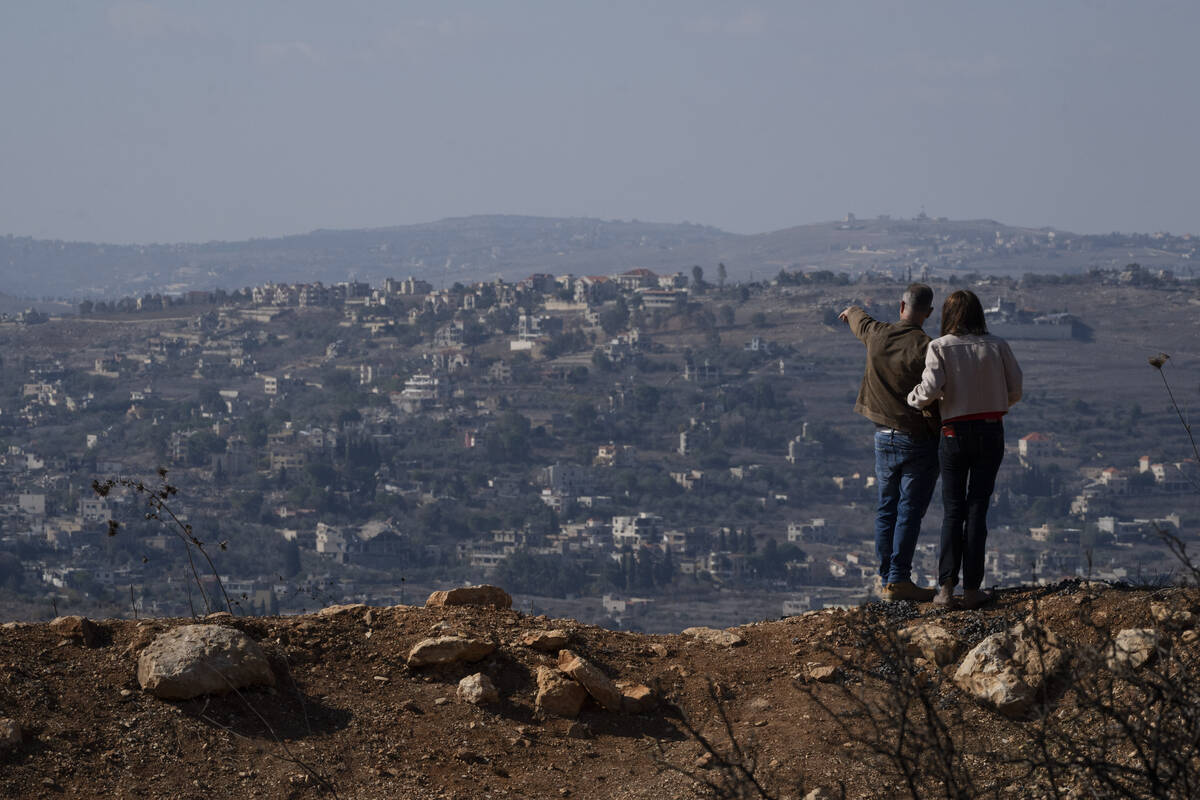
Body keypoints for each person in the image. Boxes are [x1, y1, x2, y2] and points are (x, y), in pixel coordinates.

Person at [907, 290, 1022, 609]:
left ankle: (945, 589)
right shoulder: (997, 345)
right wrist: (993, 403)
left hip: (954, 432)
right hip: (991, 430)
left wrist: (913, 399)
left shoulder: (940, 347)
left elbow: (929, 390)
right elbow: (1016, 389)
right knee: (977, 509)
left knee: (953, 510)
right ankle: (972, 589)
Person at [839, 284, 940, 602]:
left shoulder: (878, 334)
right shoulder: (928, 347)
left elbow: (860, 321)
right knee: (909, 510)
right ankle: (898, 579)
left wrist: (851, 310)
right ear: (929, 313)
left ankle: (886, 579)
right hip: (917, 440)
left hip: (882, 437)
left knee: (886, 508)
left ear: (901, 306)